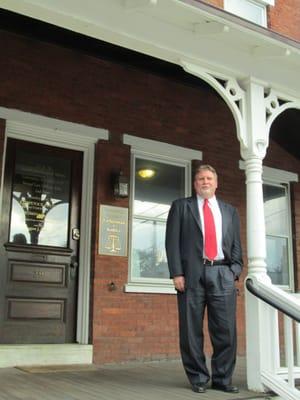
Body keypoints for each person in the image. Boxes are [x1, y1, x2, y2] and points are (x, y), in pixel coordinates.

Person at [165, 164, 243, 394]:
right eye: (200, 179)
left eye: (209, 178)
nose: (205, 182)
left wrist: (234, 271)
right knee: (191, 331)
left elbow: (237, 246)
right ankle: (198, 377)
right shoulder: (181, 207)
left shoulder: (230, 211)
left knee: (226, 331)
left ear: (216, 183)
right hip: (191, 275)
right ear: (195, 183)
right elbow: (172, 242)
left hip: (222, 273)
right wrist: (177, 273)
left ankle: (222, 379)